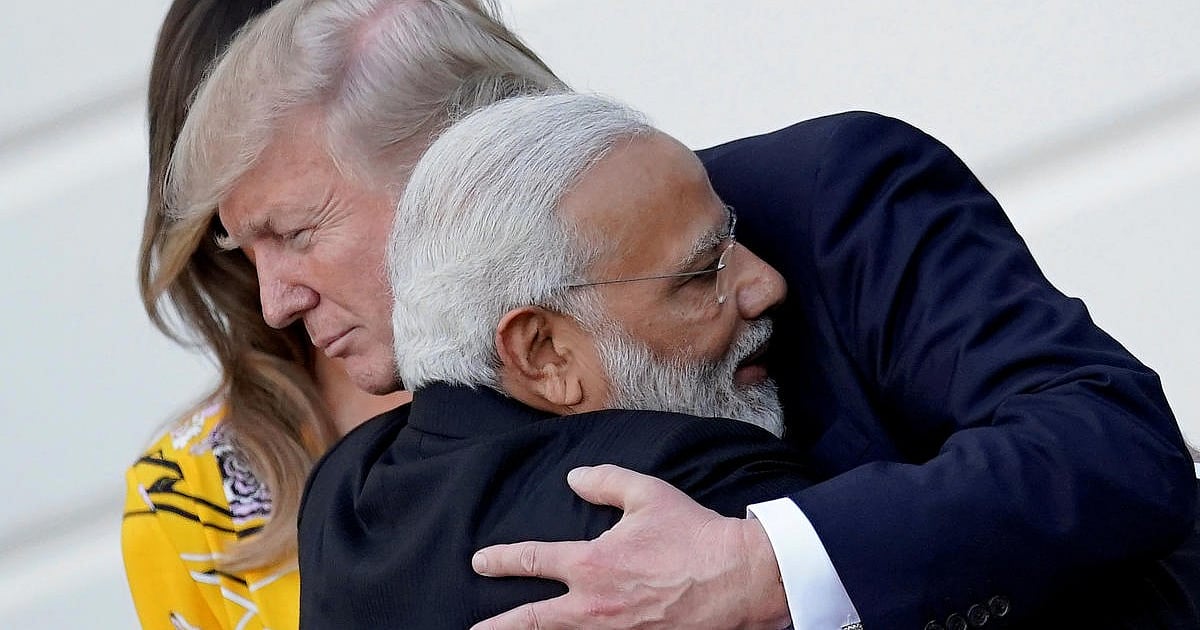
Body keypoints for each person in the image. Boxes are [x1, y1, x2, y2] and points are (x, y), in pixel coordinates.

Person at [162, 0, 1197, 628]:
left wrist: (770, 567)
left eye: (296, 231)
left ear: (459, 160)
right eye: (249, 251)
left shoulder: (831, 200)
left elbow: (1111, 441)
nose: (275, 300)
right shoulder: (364, 495)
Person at [300, 92, 814, 628]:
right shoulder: (685, 486)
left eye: (735, 239)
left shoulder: (341, 489)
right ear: (543, 353)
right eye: (702, 272)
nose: (767, 284)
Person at [121, 0, 552, 628]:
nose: (276, 304)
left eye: (294, 230)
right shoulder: (186, 494)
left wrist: (722, 561)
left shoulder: (673, 313)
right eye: (246, 236)